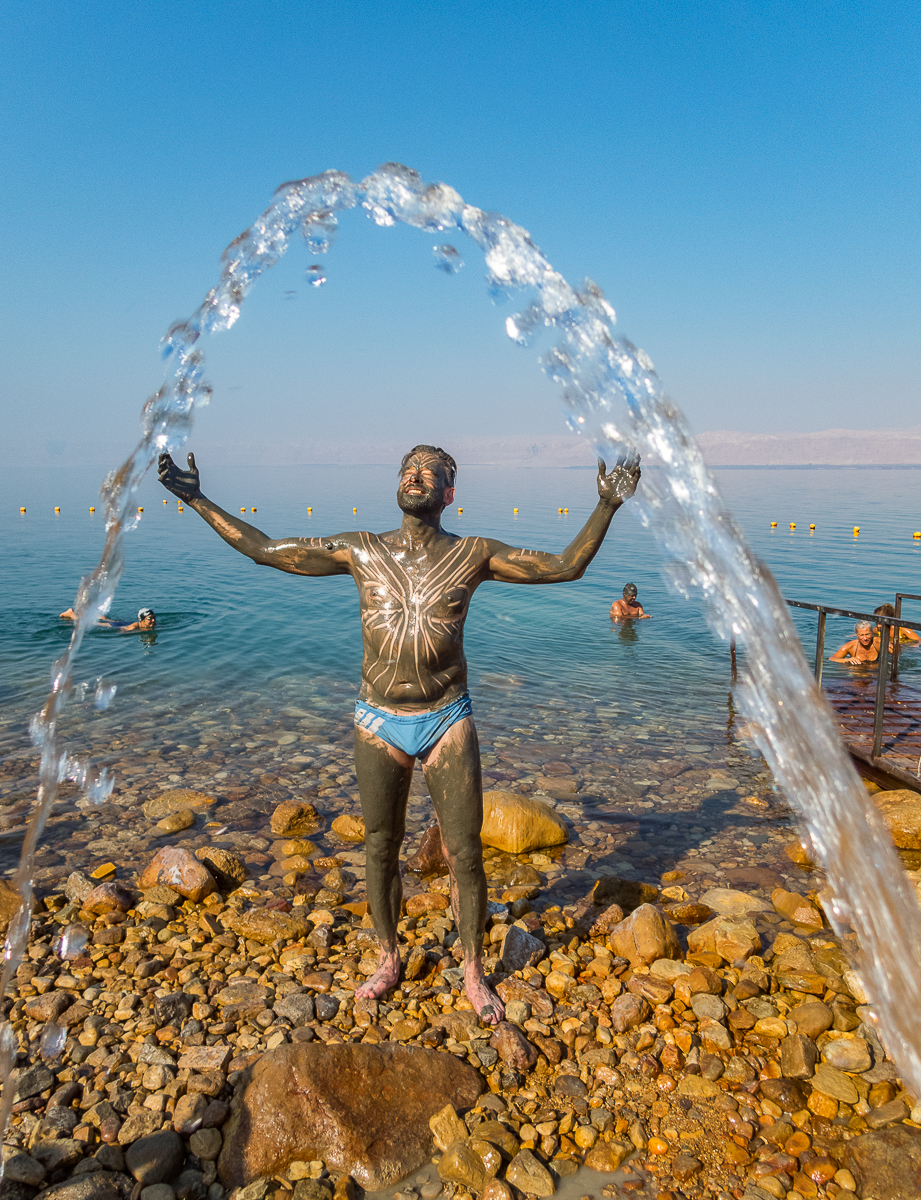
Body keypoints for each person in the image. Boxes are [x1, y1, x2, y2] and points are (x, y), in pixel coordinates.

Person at [158, 444, 641, 1023]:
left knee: (465, 855)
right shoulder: (362, 550)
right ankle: (388, 957)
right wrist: (196, 499)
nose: (416, 476)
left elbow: (565, 566)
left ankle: (472, 970)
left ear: (448, 494)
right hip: (377, 720)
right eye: (409, 469)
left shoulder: (473, 554)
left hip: (446, 719)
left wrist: (607, 506)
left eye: (430, 473)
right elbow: (265, 551)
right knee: (381, 846)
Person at [60, 607, 157, 632]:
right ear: (142, 620)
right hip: (118, 626)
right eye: (150, 619)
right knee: (93, 623)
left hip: (124, 622)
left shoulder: (150, 625)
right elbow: (123, 631)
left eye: (154, 618)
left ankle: (101, 617)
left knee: (108, 619)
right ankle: (71, 614)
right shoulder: (134, 626)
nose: (153, 621)